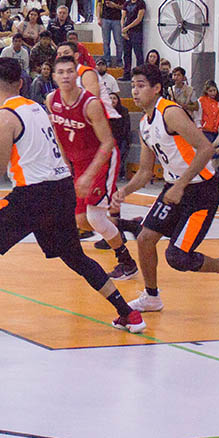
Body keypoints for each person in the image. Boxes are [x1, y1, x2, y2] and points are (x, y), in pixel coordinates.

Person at [0, 58, 145, 338]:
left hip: (33, 196)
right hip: (61, 191)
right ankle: (128, 313)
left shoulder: (3, 115)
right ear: (21, 83)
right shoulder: (34, 107)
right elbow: (8, 156)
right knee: (74, 256)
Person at [111, 64, 219, 313]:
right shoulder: (144, 123)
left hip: (200, 191)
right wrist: (124, 192)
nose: (134, 90)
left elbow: (206, 149)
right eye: (133, 85)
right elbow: (144, 171)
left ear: (156, 89)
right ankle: (151, 297)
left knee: (177, 257)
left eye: (141, 85)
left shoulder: (170, 113)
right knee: (144, 240)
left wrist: (181, 185)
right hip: (174, 187)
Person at [48, 55, 138, 279]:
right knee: (82, 220)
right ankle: (129, 226)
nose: (66, 76)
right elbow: (59, 133)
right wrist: (65, 161)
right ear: (54, 76)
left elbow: (107, 143)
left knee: (96, 218)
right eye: (61, 72)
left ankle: (126, 262)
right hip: (78, 162)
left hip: (102, 159)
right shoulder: (52, 100)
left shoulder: (90, 104)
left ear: (77, 75)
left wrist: (88, 175)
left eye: (70, 71)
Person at [95, 0, 126, 65]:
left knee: (119, 41)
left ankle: (119, 60)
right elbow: (99, 5)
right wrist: (98, 18)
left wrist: (114, 5)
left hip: (116, 19)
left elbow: (124, 7)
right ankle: (107, 60)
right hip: (105, 19)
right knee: (106, 41)